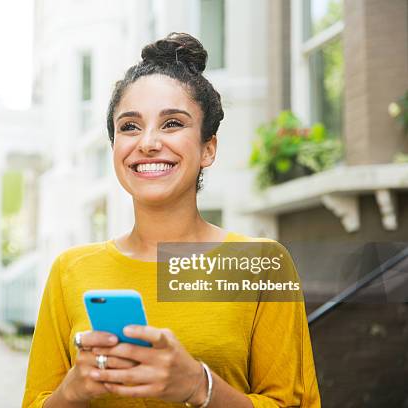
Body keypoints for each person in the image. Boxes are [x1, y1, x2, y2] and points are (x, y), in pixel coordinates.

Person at [22, 32, 320, 408]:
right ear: (115, 147)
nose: (147, 142)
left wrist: (199, 386)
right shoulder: (71, 270)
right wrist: (73, 391)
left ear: (207, 148)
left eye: (172, 123)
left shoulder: (261, 264)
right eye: (129, 126)